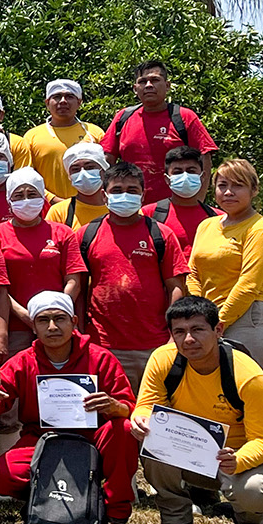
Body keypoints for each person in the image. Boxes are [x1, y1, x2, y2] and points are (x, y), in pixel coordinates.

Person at [0, 292, 140, 524]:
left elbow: (129, 406)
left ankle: (116, 518)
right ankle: (43, 498)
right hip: (44, 441)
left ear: (74, 322)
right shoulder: (24, 361)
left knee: (124, 429)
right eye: (43, 320)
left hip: (93, 438)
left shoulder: (100, 358)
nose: (52, 327)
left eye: (59, 318)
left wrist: (114, 406)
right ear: (33, 326)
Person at [131, 296, 263, 524]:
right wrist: (140, 419)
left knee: (255, 489)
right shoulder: (163, 360)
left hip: (233, 460)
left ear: (218, 330)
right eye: (180, 332)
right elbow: (146, 404)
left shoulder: (248, 375)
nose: (189, 339)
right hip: (187, 455)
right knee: (153, 438)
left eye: (197, 329)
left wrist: (238, 461)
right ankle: (175, 521)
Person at [78, 160, 189, 392]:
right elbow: (78, 288)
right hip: (104, 344)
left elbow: (176, 288)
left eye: (132, 190)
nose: (124, 195)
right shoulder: (86, 235)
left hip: (155, 344)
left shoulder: (161, 234)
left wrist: (172, 335)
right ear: (104, 195)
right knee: (110, 414)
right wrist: (80, 333)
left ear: (142, 194)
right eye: (117, 190)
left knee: (154, 413)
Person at [186, 159, 263, 371]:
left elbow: (249, 285)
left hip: (246, 320)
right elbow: (192, 272)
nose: (229, 192)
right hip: (207, 319)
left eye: (238, 185)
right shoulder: (206, 225)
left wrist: (218, 322)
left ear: (254, 190)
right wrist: (201, 311)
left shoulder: (260, 229)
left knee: (243, 392)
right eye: (223, 185)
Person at [0, 168, 84, 362]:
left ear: (43, 197)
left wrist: (53, 312)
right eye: (19, 195)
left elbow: (74, 281)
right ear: (9, 200)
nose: (26, 200)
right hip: (15, 328)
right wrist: (28, 316)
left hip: (56, 325)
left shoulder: (63, 233)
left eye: (32, 194)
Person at [100, 60, 218, 204]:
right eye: (143, 81)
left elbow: (205, 156)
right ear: (135, 88)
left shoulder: (184, 117)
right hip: (131, 206)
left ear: (167, 86)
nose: (149, 85)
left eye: (155, 80)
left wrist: (199, 199)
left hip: (176, 206)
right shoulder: (123, 118)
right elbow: (107, 160)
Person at [25, 80, 104, 199]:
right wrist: (54, 200)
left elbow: (107, 171)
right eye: (56, 97)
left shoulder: (95, 133)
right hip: (48, 209)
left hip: (93, 206)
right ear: (47, 103)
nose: (63, 101)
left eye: (69, 96)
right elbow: (28, 177)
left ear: (79, 102)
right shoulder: (32, 136)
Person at [142, 145, 221, 260]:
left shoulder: (218, 218)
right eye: (178, 172)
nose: (185, 176)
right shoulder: (148, 214)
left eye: (191, 171)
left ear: (202, 176)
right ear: (167, 179)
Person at [43, 142, 110, 229]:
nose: (83, 173)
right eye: (76, 169)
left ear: (104, 170)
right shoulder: (59, 212)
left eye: (90, 167)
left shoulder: (120, 207)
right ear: (69, 176)